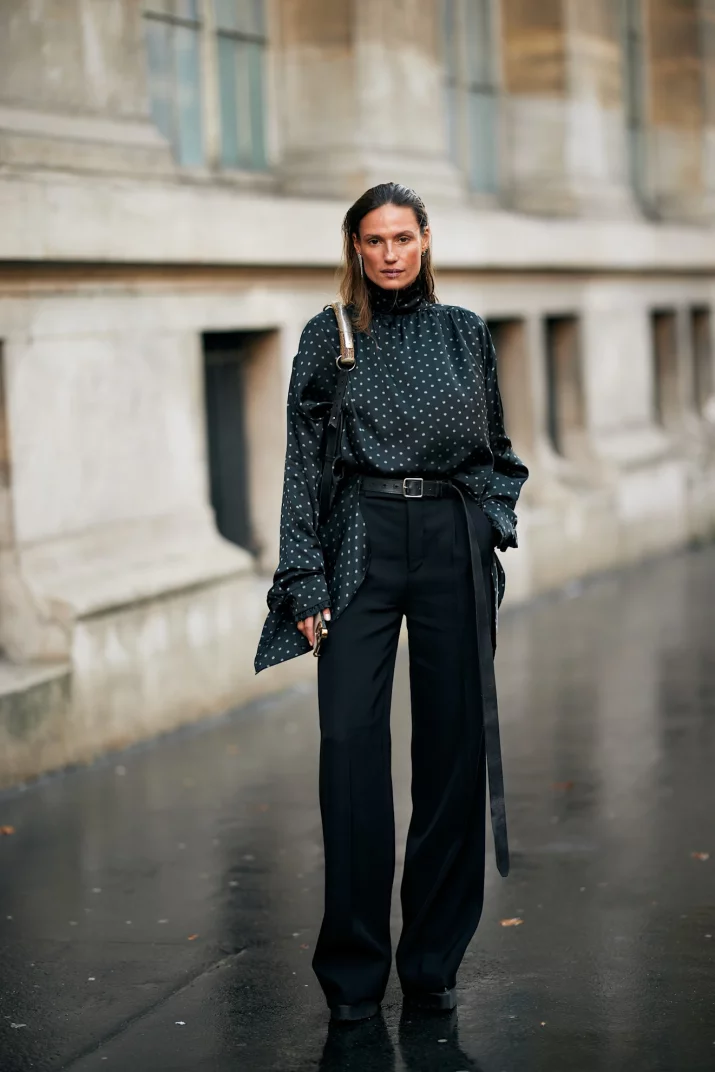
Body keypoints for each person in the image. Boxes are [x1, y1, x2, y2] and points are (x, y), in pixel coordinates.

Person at [254, 182, 528, 1023]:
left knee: (452, 750)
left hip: (448, 537)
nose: (389, 254)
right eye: (373, 240)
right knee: (348, 747)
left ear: (425, 240)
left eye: (401, 238)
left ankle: (432, 962)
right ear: (355, 248)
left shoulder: (464, 332)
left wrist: (489, 521)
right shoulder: (329, 334)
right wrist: (302, 577)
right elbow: (301, 463)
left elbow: (497, 450)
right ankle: (352, 975)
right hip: (357, 540)